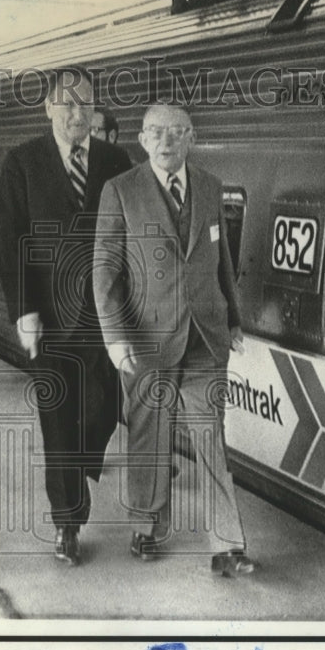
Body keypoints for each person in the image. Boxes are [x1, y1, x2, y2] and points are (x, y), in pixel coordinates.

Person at [93, 103, 254, 577]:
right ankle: (146, 528)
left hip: (205, 336)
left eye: (177, 132)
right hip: (145, 337)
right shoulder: (120, 190)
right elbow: (104, 269)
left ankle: (227, 544)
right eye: (156, 132)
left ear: (191, 138)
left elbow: (221, 255)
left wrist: (235, 320)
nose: (166, 141)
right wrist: (114, 338)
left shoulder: (208, 184)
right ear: (142, 140)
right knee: (148, 437)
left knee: (211, 438)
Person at [0, 68, 132, 566]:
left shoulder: (117, 161)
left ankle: (81, 470)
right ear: (48, 107)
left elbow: (134, 233)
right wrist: (22, 310)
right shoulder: (22, 163)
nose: (78, 115)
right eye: (67, 105)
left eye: (86, 105)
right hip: (48, 317)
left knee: (99, 407)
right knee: (57, 419)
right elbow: (8, 240)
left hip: (103, 314)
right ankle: (67, 522)